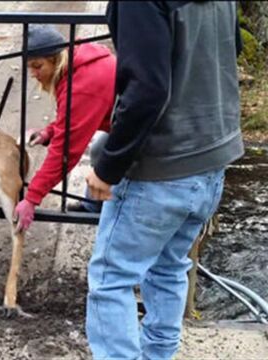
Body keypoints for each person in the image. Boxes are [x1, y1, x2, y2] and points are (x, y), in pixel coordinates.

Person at [84, 2, 243, 359]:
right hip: (212, 158)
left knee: (111, 280)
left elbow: (146, 91)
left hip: (161, 167)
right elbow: (229, 50)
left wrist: (107, 168)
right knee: (169, 268)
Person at [13, 24, 116, 232]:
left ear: (56, 59)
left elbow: (65, 151)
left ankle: (114, 213)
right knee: (100, 148)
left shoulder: (82, 85)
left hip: (153, 137)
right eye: (29, 67)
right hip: (128, 125)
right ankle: (94, 205)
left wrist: (31, 199)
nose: (33, 73)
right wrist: (48, 133)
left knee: (118, 166)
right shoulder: (77, 63)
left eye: (38, 66)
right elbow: (72, 120)